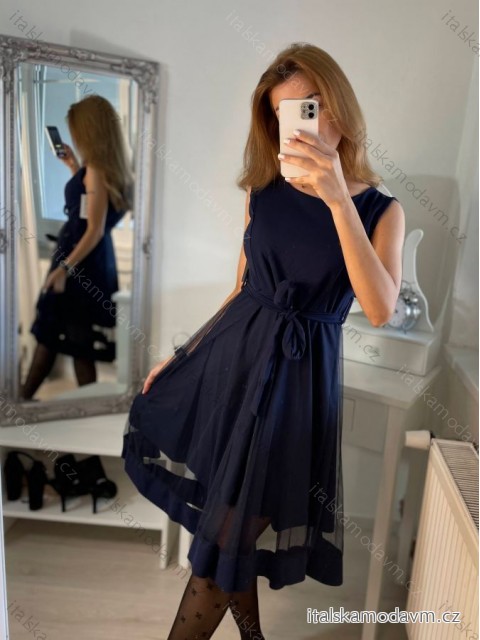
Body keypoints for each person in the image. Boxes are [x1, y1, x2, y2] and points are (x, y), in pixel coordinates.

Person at [122, 42, 405, 639]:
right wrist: (181, 357)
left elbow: (380, 309)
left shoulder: (382, 210)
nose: (304, 121)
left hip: (297, 391)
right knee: (231, 533)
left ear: (339, 103)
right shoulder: (263, 190)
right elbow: (240, 290)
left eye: (313, 103)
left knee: (228, 537)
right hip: (235, 368)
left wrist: (337, 196)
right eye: (286, 112)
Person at [21, 95, 133, 400]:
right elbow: (89, 214)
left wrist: (63, 269)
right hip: (88, 262)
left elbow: (93, 229)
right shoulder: (104, 169)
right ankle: (23, 404)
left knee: (61, 340)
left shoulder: (96, 169)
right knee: (75, 343)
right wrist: (73, 167)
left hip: (79, 265)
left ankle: (18, 406)